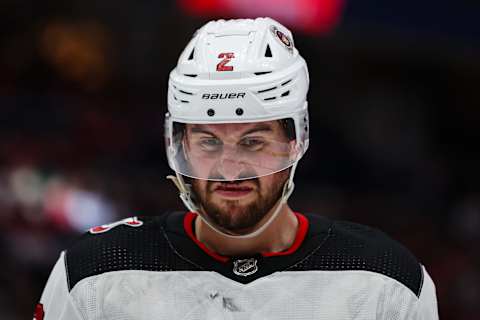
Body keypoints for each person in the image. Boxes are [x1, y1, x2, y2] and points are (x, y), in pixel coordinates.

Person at [35, 17, 439, 320]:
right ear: (181, 144)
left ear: (295, 140)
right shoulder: (96, 271)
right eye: (209, 141)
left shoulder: (385, 279)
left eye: (253, 141)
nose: (229, 168)